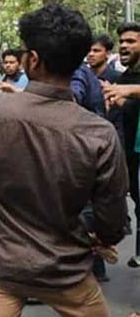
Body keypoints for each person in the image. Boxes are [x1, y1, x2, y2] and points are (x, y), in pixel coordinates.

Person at [0, 3, 127, 317]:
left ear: (32, 60)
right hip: (66, 271)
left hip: (0, 266)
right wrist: (103, 238)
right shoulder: (99, 134)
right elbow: (112, 214)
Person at [106, 22, 140, 269]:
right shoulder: (123, 76)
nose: (124, 46)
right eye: (122, 42)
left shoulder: (128, 82)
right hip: (132, 153)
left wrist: (130, 91)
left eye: (131, 41)